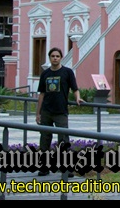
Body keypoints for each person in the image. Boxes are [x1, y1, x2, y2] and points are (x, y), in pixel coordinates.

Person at [36, 47, 83, 176]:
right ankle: (44, 167)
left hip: (61, 111)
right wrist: (37, 113)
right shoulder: (45, 74)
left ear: (61, 57)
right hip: (46, 111)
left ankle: (66, 168)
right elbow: (41, 94)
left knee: (63, 140)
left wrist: (78, 98)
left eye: (57, 56)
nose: (55, 58)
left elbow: (75, 88)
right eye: (52, 56)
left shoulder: (67, 72)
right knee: (45, 140)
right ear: (50, 58)